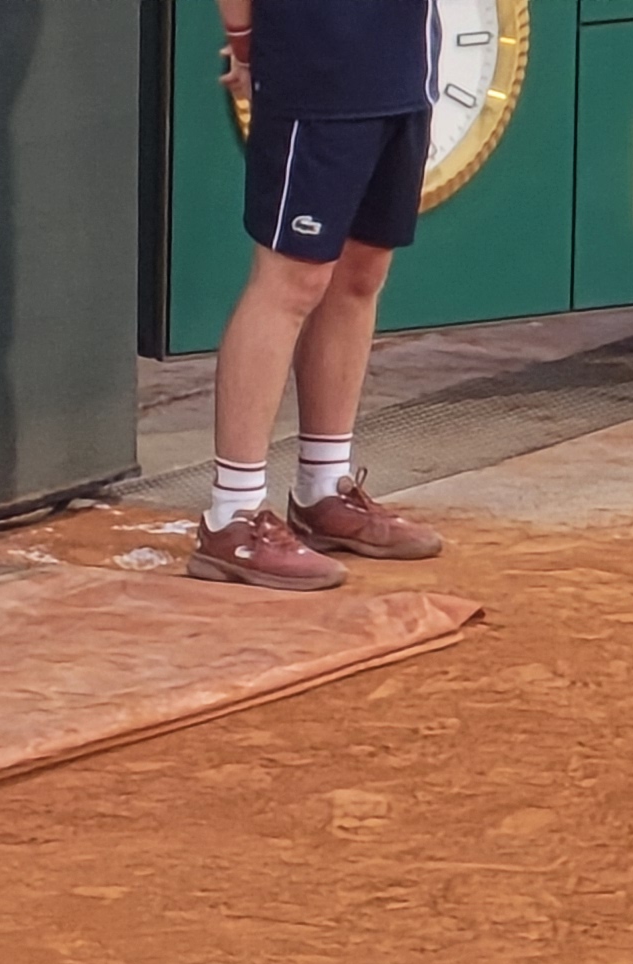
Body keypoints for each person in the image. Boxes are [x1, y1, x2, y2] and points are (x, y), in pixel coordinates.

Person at [191, 0, 448, 589]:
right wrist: (247, 41)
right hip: (315, 70)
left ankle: (323, 491)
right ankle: (232, 517)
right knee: (293, 279)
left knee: (362, 272)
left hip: (407, 67)